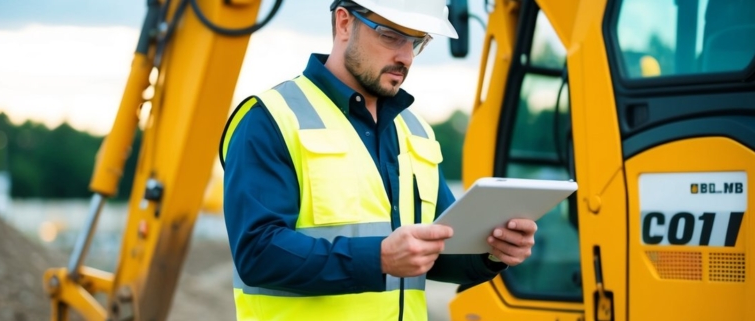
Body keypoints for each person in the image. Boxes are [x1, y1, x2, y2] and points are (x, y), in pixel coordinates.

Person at [219, 1, 537, 320]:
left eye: (416, 41)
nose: (406, 57)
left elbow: (438, 252)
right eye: (391, 36)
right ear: (344, 23)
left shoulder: (417, 133)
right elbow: (257, 253)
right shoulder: (269, 119)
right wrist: (379, 258)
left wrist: (493, 252)